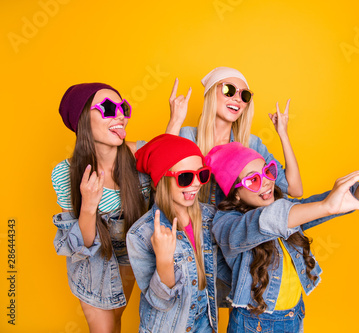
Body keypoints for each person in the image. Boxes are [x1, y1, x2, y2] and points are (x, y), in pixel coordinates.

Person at [204, 142, 359, 332]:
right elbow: (265, 221)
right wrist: (325, 206)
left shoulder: (284, 206)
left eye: (268, 171)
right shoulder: (227, 224)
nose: (266, 182)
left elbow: (327, 204)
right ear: (235, 193)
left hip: (294, 315)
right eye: (253, 180)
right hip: (255, 324)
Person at [51, 83, 150, 332]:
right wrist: (88, 206)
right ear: (83, 119)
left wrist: (175, 120)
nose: (120, 115)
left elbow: (174, 164)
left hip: (129, 256)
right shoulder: (66, 173)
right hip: (92, 261)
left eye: (123, 107)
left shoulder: (139, 155)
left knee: (115, 322)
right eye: (108, 108)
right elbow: (80, 246)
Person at [127, 134, 228, 332]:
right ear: (162, 180)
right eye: (185, 177)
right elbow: (161, 302)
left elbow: (225, 268)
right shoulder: (140, 234)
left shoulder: (210, 217)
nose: (197, 183)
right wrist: (164, 260)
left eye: (202, 174)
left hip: (206, 322)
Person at [166, 67, 303, 205]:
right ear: (211, 93)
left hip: (234, 224)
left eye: (245, 96)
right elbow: (161, 183)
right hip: (192, 221)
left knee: (287, 206)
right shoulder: (187, 136)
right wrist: (175, 121)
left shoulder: (252, 144)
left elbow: (295, 190)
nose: (237, 99)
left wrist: (283, 134)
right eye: (229, 90)